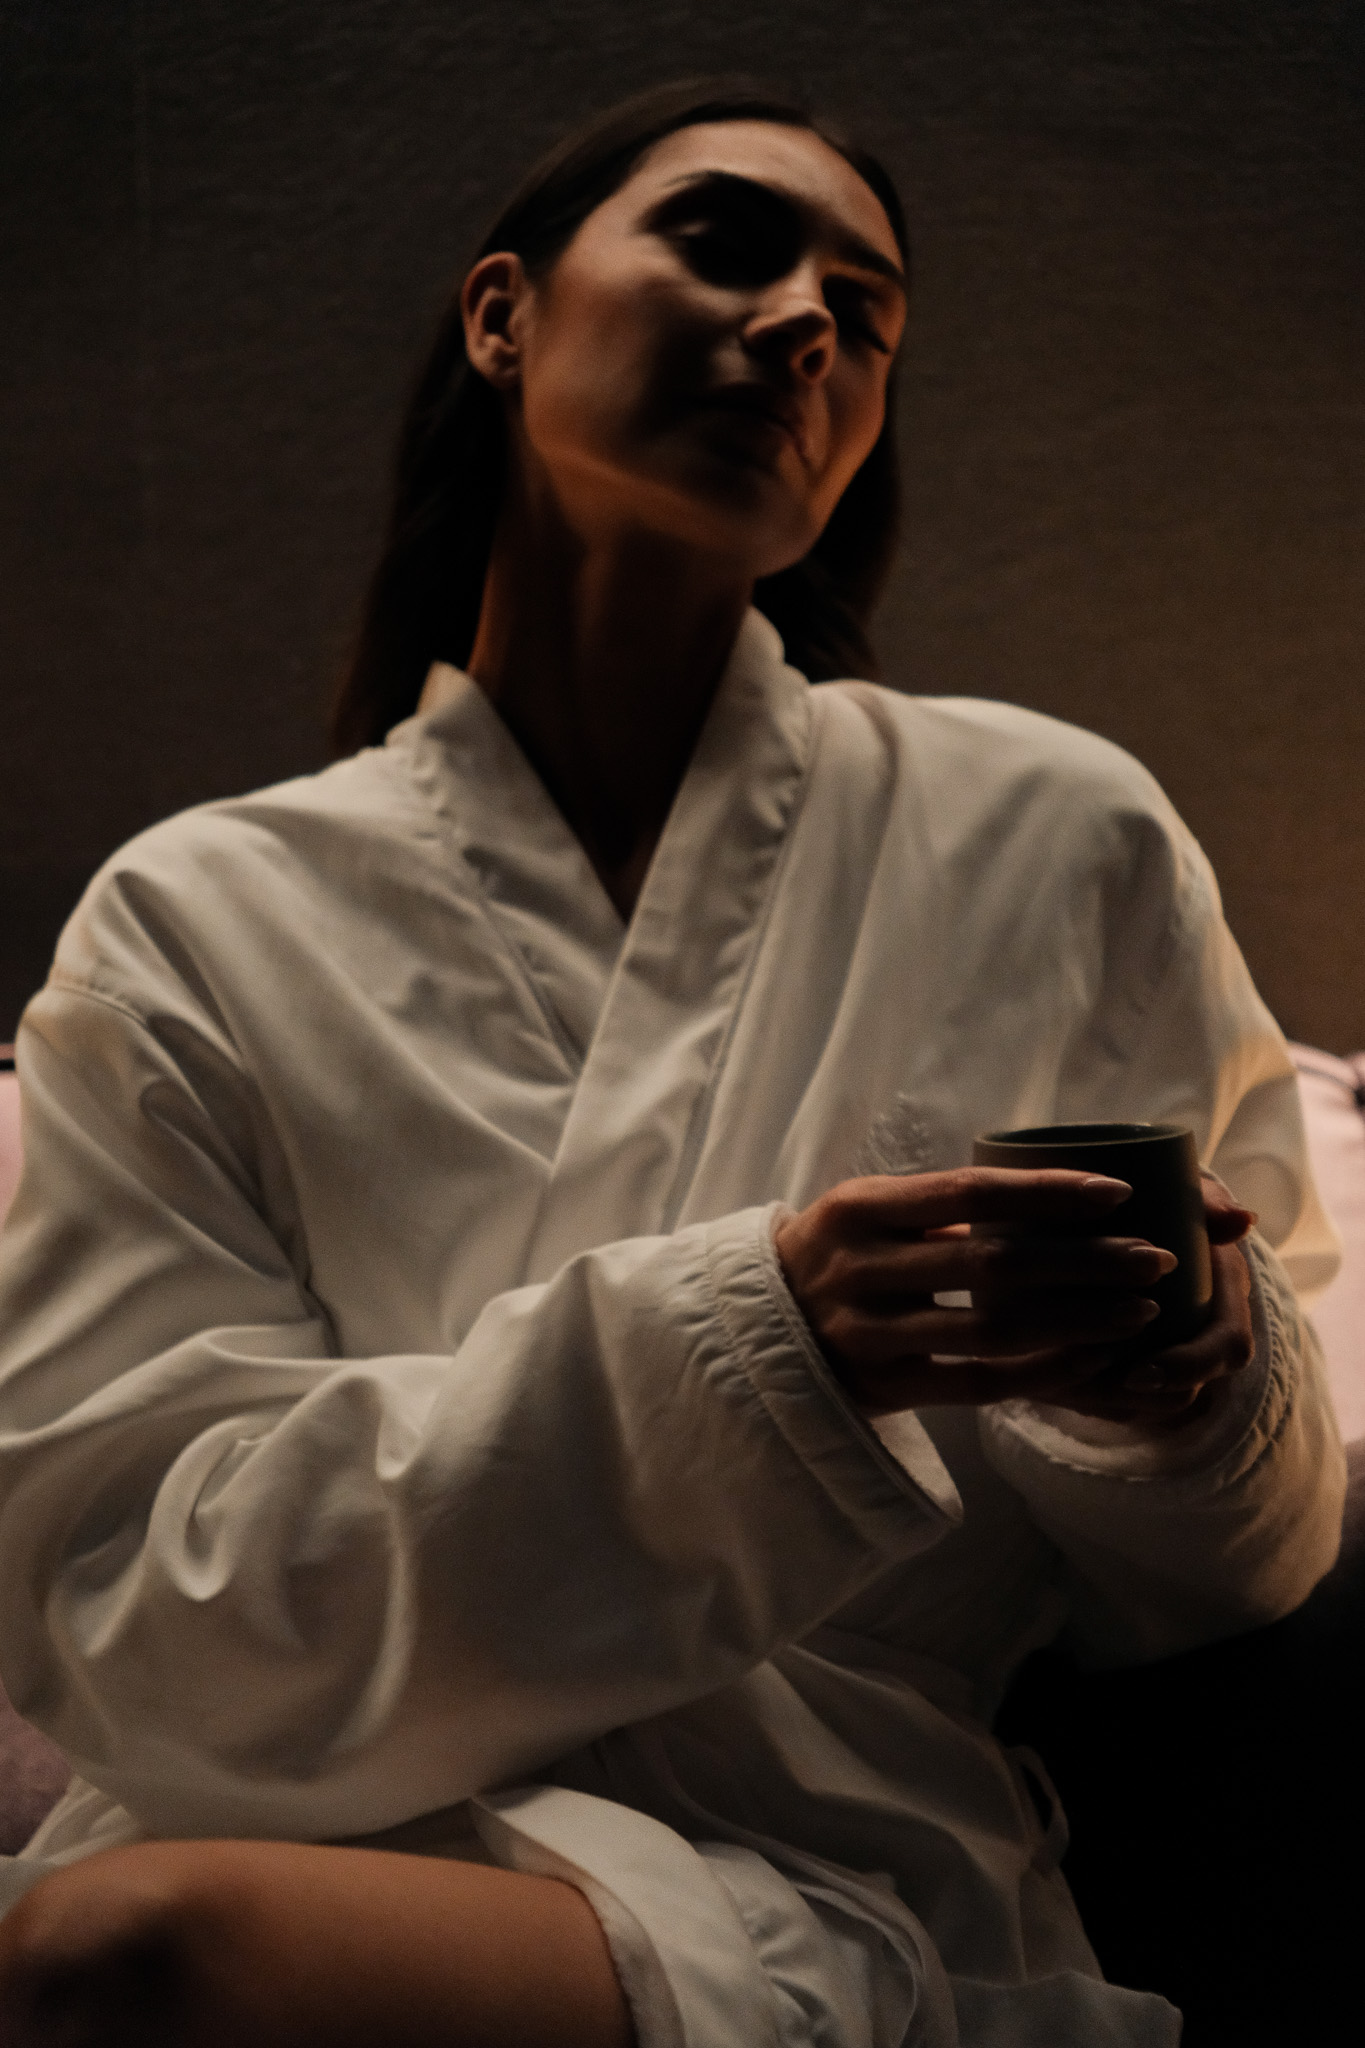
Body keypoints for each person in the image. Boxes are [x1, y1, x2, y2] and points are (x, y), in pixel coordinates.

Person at [0, 76, 1345, 2048]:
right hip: (293, 1814)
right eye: (724, 240)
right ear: (500, 314)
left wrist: (1182, 1382)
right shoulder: (200, 915)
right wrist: (759, 1341)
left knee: (125, 1964)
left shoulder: (1053, 834)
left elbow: (1237, 1561)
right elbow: (122, 1594)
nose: (804, 317)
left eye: (864, 313)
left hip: (818, 1864)